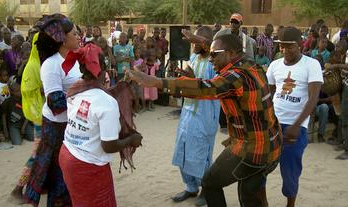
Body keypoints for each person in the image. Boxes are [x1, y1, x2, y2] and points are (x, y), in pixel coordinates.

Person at [127, 33, 282, 207]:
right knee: (250, 194)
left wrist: (157, 82)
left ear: (230, 54)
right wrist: (203, 42)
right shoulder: (250, 63)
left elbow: (203, 88)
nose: (211, 59)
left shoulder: (236, 77)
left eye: (215, 55)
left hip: (253, 149)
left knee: (210, 183)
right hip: (272, 146)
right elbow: (224, 48)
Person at [58, 43, 142, 207]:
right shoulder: (106, 103)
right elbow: (109, 146)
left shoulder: (75, 89)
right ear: (104, 67)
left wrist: (121, 86)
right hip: (88, 166)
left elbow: (96, 96)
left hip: (68, 155)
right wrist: (132, 139)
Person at [23, 14, 81, 207]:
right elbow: (56, 104)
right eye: (74, 33)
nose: (79, 36)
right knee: (58, 171)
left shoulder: (77, 60)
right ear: (63, 39)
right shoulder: (51, 65)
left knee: (70, 169)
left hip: (73, 123)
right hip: (56, 127)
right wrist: (86, 93)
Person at [266, 26, 323, 207]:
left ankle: (290, 203)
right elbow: (268, 94)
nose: (284, 50)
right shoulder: (275, 65)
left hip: (296, 127)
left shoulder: (311, 64)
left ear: (300, 44)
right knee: (260, 166)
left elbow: (313, 97)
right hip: (273, 123)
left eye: (289, 46)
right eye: (281, 46)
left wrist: (297, 125)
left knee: (290, 170)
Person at [170, 26, 220, 207]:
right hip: (188, 113)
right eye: (193, 41)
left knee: (202, 154)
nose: (193, 44)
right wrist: (186, 79)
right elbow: (190, 84)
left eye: (197, 41)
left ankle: (207, 189)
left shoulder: (216, 62)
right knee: (182, 149)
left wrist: (193, 80)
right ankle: (191, 187)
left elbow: (215, 87)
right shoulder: (192, 58)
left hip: (206, 115)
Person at [10, 32, 45, 204]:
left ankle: (40, 186)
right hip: (40, 116)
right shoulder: (33, 66)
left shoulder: (39, 63)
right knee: (37, 154)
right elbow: (29, 91)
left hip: (43, 114)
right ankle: (18, 188)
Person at [1, 80, 33, 145]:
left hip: (24, 123)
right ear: (12, 92)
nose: (20, 91)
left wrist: (23, 127)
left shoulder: (25, 99)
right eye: (18, 91)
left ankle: (23, 134)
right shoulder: (8, 101)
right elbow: (3, 116)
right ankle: (18, 134)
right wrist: (5, 130)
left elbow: (29, 114)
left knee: (33, 138)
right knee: (17, 143)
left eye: (21, 89)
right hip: (13, 126)